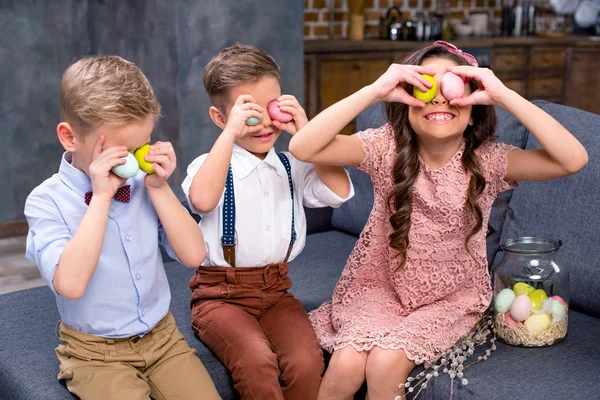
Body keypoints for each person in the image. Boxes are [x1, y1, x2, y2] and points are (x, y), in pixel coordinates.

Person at [289, 41, 588, 399]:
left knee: (385, 362)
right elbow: (302, 147)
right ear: (406, 104)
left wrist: (505, 94)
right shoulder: (384, 148)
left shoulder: (487, 161)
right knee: (346, 364)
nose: (439, 98)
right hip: (378, 288)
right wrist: (375, 89)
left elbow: (573, 159)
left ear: (475, 109)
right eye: (425, 86)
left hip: (450, 299)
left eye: (452, 87)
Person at [24, 55, 220, 400]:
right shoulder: (46, 201)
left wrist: (160, 188)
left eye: (141, 146)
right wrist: (101, 198)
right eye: (121, 152)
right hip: (94, 355)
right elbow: (69, 284)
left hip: (164, 341)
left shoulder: (147, 185)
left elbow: (194, 255)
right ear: (70, 137)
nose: (134, 161)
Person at [181, 43, 354, 400]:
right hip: (220, 296)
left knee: (307, 360)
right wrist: (229, 135)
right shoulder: (210, 165)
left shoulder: (295, 163)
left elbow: (339, 193)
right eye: (248, 112)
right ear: (220, 117)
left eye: (271, 106)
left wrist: (306, 131)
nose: (264, 122)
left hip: (277, 292)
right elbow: (201, 199)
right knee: (257, 361)